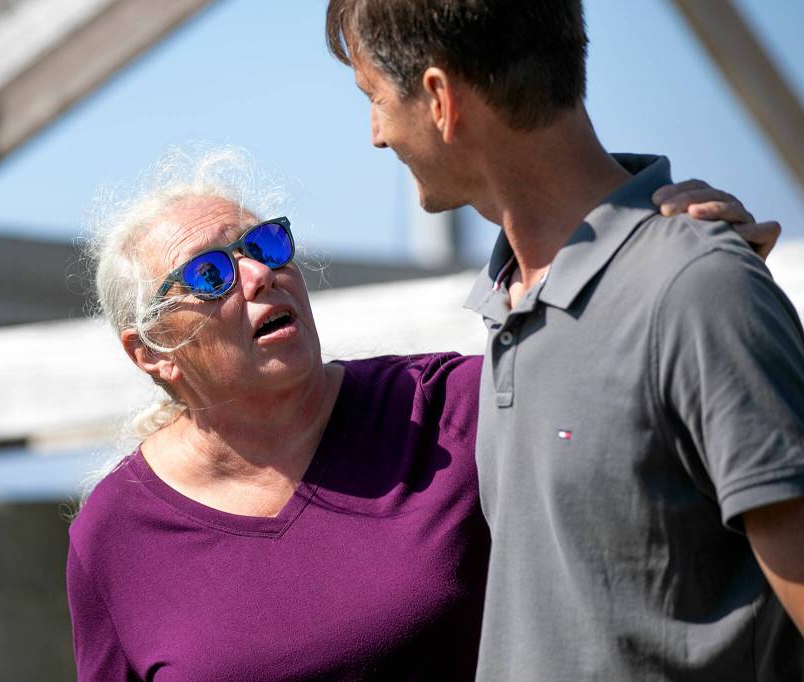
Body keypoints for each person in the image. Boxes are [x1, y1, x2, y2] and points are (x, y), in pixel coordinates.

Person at [67, 149, 773, 680]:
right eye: (210, 274)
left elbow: (624, 397)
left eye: (264, 245)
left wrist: (679, 268)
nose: (260, 274)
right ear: (151, 352)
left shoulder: (446, 409)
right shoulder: (113, 532)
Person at [326, 1, 804, 679]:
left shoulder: (698, 289)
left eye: (373, 97)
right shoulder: (511, 306)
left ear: (439, 98)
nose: (376, 135)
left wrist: (703, 282)